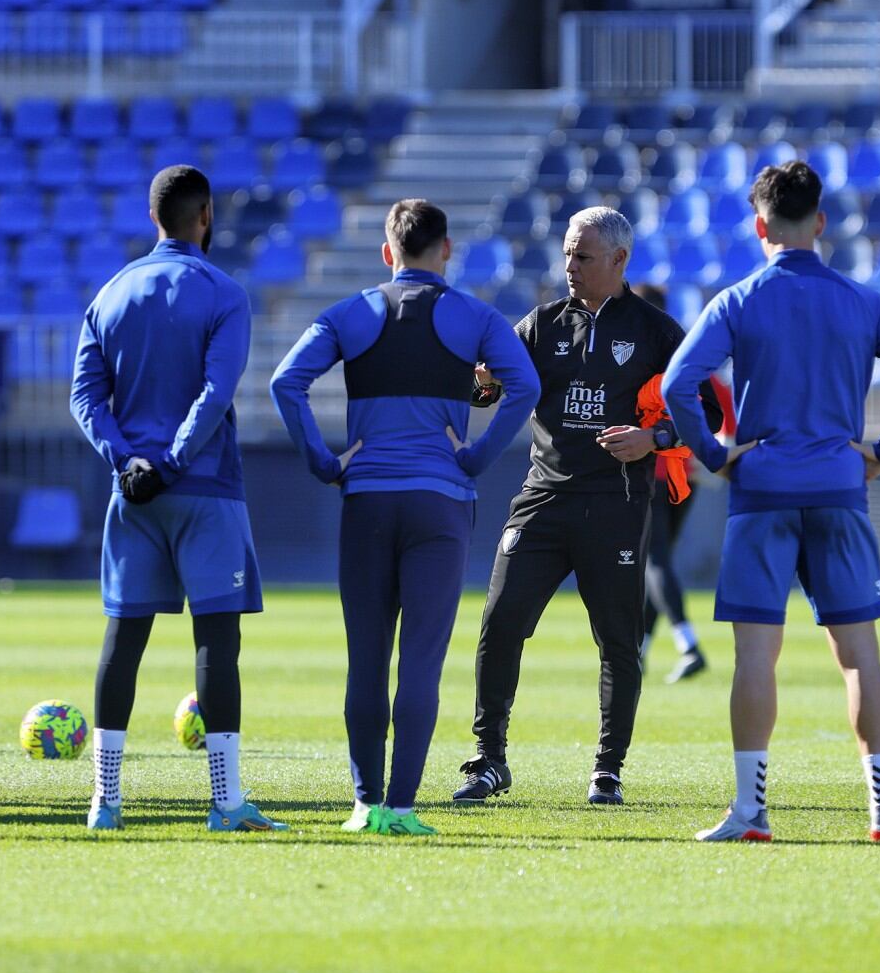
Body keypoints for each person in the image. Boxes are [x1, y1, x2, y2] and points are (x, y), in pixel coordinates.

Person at [663, 161, 880, 843]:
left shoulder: (739, 299)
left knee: (755, 659)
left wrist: (715, 455)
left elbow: (680, 384)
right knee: (861, 657)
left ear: (760, 225)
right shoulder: (862, 299)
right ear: (820, 224)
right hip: (838, 490)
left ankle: (750, 812)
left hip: (761, 491)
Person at [270, 199, 539, 835]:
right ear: (446, 250)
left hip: (366, 500)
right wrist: (474, 456)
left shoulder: (352, 312)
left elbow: (286, 382)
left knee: (366, 658)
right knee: (419, 661)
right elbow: (523, 385)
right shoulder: (474, 315)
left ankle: (364, 805)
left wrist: (325, 463)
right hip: (441, 504)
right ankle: (402, 806)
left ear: (388, 252)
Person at [452, 206, 722, 808]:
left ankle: (608, 769)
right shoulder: (542, 324)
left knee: (619, 643)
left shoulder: (655, 331)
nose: (569, 266)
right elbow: (485, 386)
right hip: (543, 498)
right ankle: (489, 759)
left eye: (583, 256)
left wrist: (653, 439)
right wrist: (482, 383)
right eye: (568, 254)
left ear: (620, 260)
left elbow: (708, 407)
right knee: (499, 627)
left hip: (618, 503)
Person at [70, 165, 283, 834]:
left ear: (152, 215)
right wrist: (173, 461)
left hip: (132, 495)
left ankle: (105, 801)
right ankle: (226, 803)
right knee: (217, 639)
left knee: (123, 637)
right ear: (206, 215)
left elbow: (84, 398)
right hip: (205, 488)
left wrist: (127, 459)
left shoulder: (111, 293)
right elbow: (215, 394)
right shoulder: (223, 293)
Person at [631, 283, 727, 686]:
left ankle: (687, 644)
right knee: (660, 561)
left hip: (651, 472)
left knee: (654, 561)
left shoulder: (633, 355)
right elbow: (720, 402)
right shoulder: (682, 352)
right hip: (685, 474)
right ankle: (640, 651)